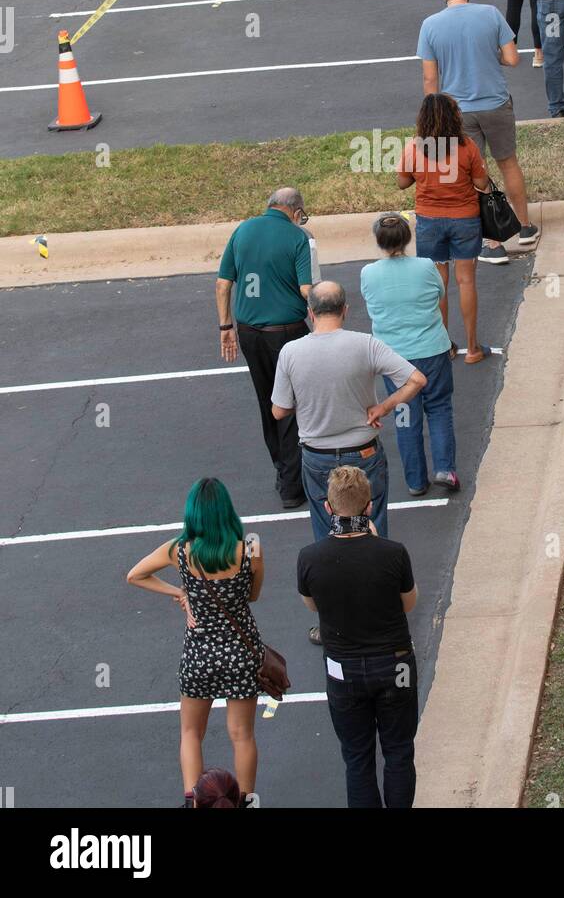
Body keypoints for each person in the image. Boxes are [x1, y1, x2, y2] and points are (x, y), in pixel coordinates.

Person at [126, 477, 264, 806]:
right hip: (241, 651)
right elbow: (253, 596)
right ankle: (241, 801)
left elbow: (135, 575)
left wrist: (181, 592)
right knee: (242, 734)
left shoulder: (179, 550)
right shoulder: (250, 550)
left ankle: (195, 801)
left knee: (191, 733)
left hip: (199, 654)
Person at [271, 280, 427, 548]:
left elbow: (279, 411)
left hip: (317, 455)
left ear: (310, 312)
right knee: (374, 523)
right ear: (345, 309)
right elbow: (416, 380)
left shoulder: (290, 352)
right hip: (364, 452)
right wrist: (384, 407)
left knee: (324, 528)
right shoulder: (366, 344)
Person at [297, 466, 419, 809]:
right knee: (398, 752)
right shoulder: (393, 553)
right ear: (370, 507)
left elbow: (311, 605)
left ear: (328, 509)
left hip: (343, 668)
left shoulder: (310, 558)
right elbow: (408, 603)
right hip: (395, 664)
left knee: (357, 757)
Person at [416, 0, 540, 264]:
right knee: (508, 162)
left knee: (476, 173)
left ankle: (492, 243)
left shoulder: (430, 26)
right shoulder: (491, 14)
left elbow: (430, 81)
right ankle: (524, 227)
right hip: (496, 103)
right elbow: (512, 58)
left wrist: (431, 117)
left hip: (459, 112)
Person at [216, 187, 312, 509]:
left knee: (267, 400)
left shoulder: (242, 230)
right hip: (288, 332)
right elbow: (306, 289)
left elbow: (222, 283)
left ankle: (280, 467)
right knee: (292, 405)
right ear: (296, 211)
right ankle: (292, 484)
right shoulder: (297, 238)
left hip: (249, 333)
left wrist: (226, 327)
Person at [361, 211, 460, 494]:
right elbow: (440, 294)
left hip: (394, 358)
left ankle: (416, 481)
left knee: (405, 414)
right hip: (432, 351)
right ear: (408, 238)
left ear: (379, 241)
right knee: (439, 408)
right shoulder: (426, 266)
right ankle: (445, 469)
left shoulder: (368, 273)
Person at [396, 93, 490, 364]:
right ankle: (473, 348)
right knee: (467, 281)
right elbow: (482, 184)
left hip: (429, 222)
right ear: (453, 117)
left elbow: (402, 183)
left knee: (438, 285)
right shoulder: (468, 146)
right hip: (465, 220)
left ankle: (444, 345)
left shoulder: (414, 148)